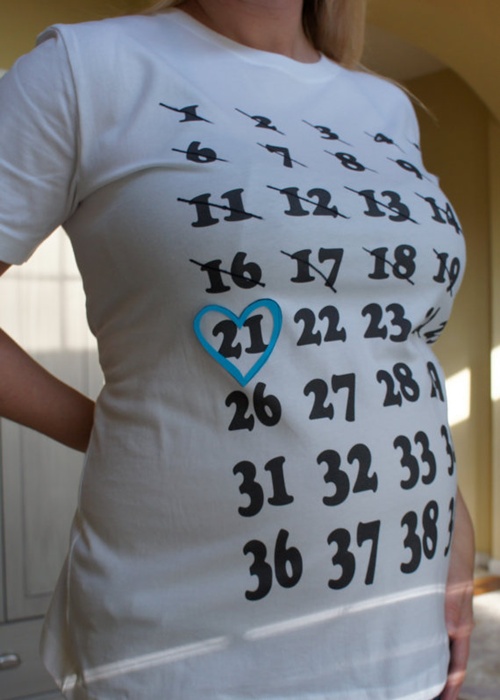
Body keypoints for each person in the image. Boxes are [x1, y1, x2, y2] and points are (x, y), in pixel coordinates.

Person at [0, 0, 475, 698]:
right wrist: (100, 429)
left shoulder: (386, 109)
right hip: (187, 645)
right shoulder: (85, 71)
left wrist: (455, 519)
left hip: (397, 629)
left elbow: (392, 347)